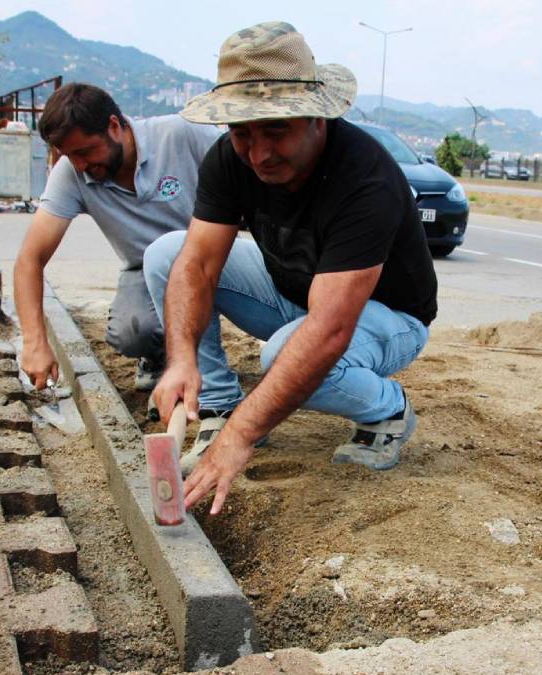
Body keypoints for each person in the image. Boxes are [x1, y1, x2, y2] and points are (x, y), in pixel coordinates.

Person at [146, 21, 438, 515]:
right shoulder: (230, 158)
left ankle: (390, 409)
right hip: (294, 295)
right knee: (167, 255)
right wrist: (180, 360)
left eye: (276, 131)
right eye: (242, 134)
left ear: (316, 118)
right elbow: (196, 265)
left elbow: (328, 331)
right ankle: (216, 402)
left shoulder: (366, 179)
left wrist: (242, 436)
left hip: (388, 317)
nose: (258, 154)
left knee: (287, 355)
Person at [14, 83, 221, 391]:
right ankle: (159, 356)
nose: (81, 165)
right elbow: (30, 259)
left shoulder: (181, 135)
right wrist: (34, 340)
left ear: (113, 126)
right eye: (70, 156)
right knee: (131, 330)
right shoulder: (72, 173)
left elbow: (245, 171)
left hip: (214, 255)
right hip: (146, 271)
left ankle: (215, 378)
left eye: (85, 151)